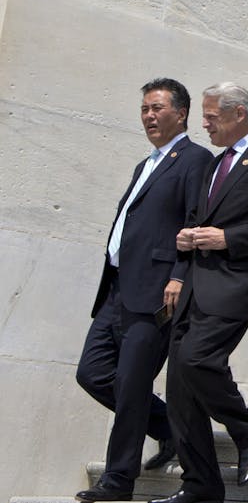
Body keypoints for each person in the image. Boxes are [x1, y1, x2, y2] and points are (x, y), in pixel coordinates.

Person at [151, 83, 248, 503]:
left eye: (211, 116)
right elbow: (199, 220)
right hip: (194, 286)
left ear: (239, 114)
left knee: (198, 359)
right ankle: (200, 485)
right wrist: (187, 243)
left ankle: (247, 429)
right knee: (181, 388)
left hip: (237, 287)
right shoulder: (214, 165)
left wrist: (227, 238)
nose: (205, 124)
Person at [75, 79, 211, 503]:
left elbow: (193, 222)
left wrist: (178, 275)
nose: (149, 116)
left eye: (157, 108)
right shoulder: (147, 163)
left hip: (156, 292)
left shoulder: (195, 159)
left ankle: (118, 482)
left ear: (181, 113)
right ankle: (170, 427)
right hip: (117, 289)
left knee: (132, 385)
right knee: (93, 373)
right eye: (144, 109)